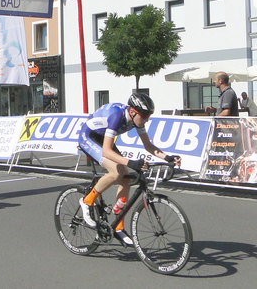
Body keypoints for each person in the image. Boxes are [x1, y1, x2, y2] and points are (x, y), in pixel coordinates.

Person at [78, 93, 181, 247]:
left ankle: (118, 226)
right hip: (89, 137)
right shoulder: (116, 116)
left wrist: (167, 158)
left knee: (125, 178)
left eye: (149, 115)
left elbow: (148, 145)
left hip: (103, 137)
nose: (147, 119)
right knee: (117, 172)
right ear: (133, 112)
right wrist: (131, 162)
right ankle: (87, 200)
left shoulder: (137, 120)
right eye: (145, 115)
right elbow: (106, 151)